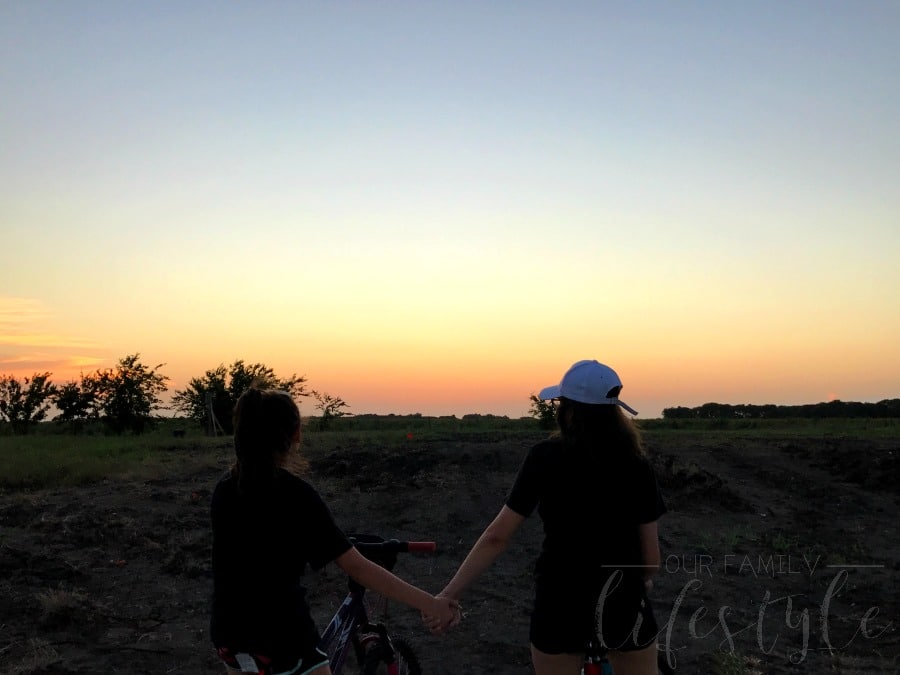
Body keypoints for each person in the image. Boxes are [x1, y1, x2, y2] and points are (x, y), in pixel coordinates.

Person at [428, 360, 666, 675]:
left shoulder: (545, 457)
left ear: (567, 410)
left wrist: (449, 593)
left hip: (560, 604)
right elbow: (650, 558)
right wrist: (643, 580)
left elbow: (497, 536)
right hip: (622, 602)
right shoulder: (636, 465)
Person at [211, 387, 458, 675]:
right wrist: (431, 603)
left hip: (229, 633)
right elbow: (357, 567)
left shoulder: (225, 489)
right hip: (282, 638)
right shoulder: (296, 495)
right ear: (295, 436)